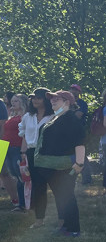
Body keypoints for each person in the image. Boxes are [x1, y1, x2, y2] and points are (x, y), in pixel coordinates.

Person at [32, 90, 85, 236]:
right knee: (61, 196)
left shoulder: (70, 118)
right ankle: (66, 227)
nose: (52, 101)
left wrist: (79, 163)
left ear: (67, 102)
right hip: (51, 166)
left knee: (67, 196)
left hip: (64, 165)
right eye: (52, 99)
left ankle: (73, 229)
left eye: (57, 99)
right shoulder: (57, 117)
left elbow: (80, 142)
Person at [19, 88, 54, 218]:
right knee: (37, 183)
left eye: (38, 97)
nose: (35, 100)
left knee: (50, 183)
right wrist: (23, 153)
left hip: (48, 152)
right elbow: (23, 135)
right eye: (33, 98)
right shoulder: (28, 116)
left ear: (46, 99)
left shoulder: (53, 116)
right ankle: (39, 216)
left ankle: (60, 214)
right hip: (31, 152)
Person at [1, 94, 28, 211]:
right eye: (12, 101)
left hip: (17, 148)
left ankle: (24, 203)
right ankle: (20, 203)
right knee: (15, 175)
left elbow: (24, 134)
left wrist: (23, 151)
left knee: (21, 176)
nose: (13, 103)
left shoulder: (25, 116)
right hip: (6, 147)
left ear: (23, 102)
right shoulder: (12, 115)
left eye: (16, 101)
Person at [70, 84, 92, 184]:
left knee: (81, 156)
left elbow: (78, 116)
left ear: (79, 92)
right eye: (71, 89)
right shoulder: (65, 103)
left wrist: (67, 114)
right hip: (68, 133)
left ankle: (87, 179)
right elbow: (58, 115)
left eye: (75, 90)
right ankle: (70, 179)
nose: (73, 91)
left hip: (79, 132)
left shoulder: (82, 103)